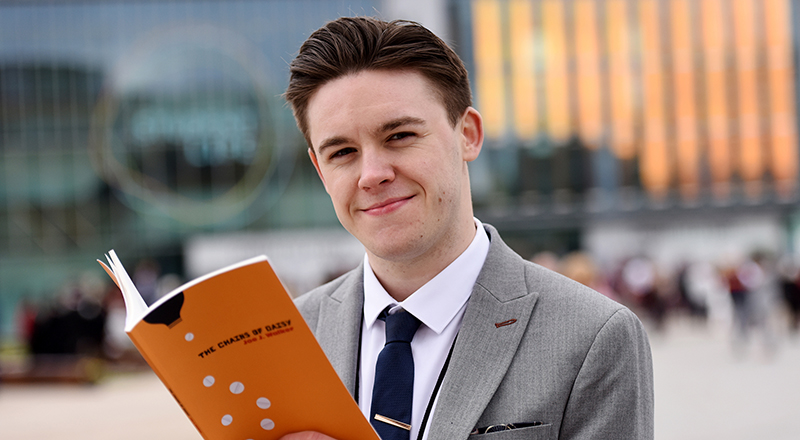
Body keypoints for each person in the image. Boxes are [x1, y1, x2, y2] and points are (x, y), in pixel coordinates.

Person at [283, 17, 653, 440]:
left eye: (400, 136)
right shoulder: (287, 339)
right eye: (343, 152)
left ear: (469, 135)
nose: (372, 174)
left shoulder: (592, 337)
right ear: (319, 170)